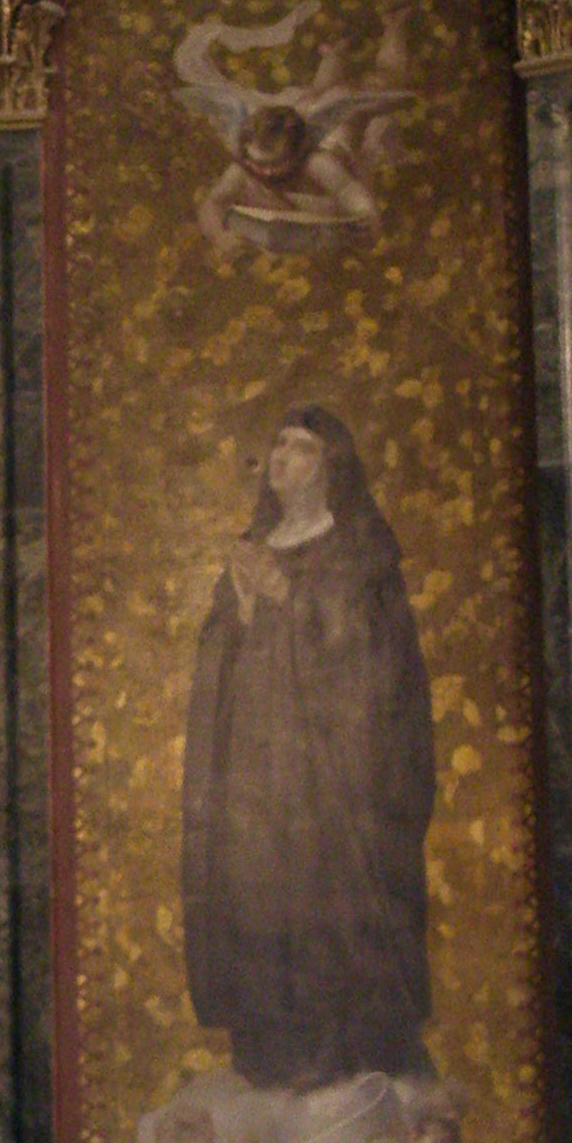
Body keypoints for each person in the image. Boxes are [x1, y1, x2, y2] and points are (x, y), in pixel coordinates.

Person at [180, 404, 436, 1090]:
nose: (282, 458)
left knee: (326, 892)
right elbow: (222, 656)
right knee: (256, 889)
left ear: (330, 467)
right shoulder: (256, 544)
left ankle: (343, 1051)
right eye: (278, 445)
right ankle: (270, 1051)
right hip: (255, 761)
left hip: (330, 770)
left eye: (300, 447)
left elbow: (374, 666)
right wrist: (241, 606)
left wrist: (287, 598)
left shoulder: (357, 552)